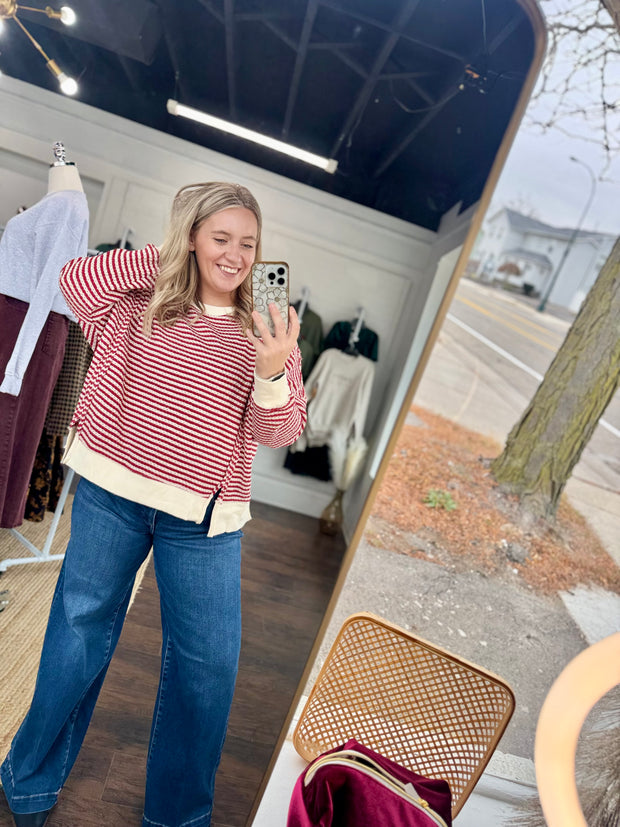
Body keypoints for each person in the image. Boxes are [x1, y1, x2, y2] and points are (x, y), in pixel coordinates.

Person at [0, 182, 306, 827]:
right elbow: (72, 282)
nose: (237, 255)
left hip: (205, 521)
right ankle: (27, 782)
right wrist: (162, 258)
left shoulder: (268, 324)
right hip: (112, 492)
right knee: (78, 635)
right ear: (190, 235)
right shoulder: (134, 297)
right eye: (220, 237)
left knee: (207, 669)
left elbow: (281, 431)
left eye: (248, 243)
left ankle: (176, 817)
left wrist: (273, 369)